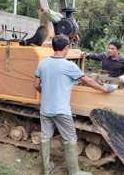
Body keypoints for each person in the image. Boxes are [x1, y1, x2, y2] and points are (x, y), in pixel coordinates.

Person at [34, 35, 116, 175]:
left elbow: (36, 85)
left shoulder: (43, 63)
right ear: (66, 48)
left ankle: (46, 169)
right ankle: (74, 172)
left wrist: (48, 90)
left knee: (45, 137)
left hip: (45, 109)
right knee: (70, 139)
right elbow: (87, 81)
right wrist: (105, 88)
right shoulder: (69, 65)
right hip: (61, 111)